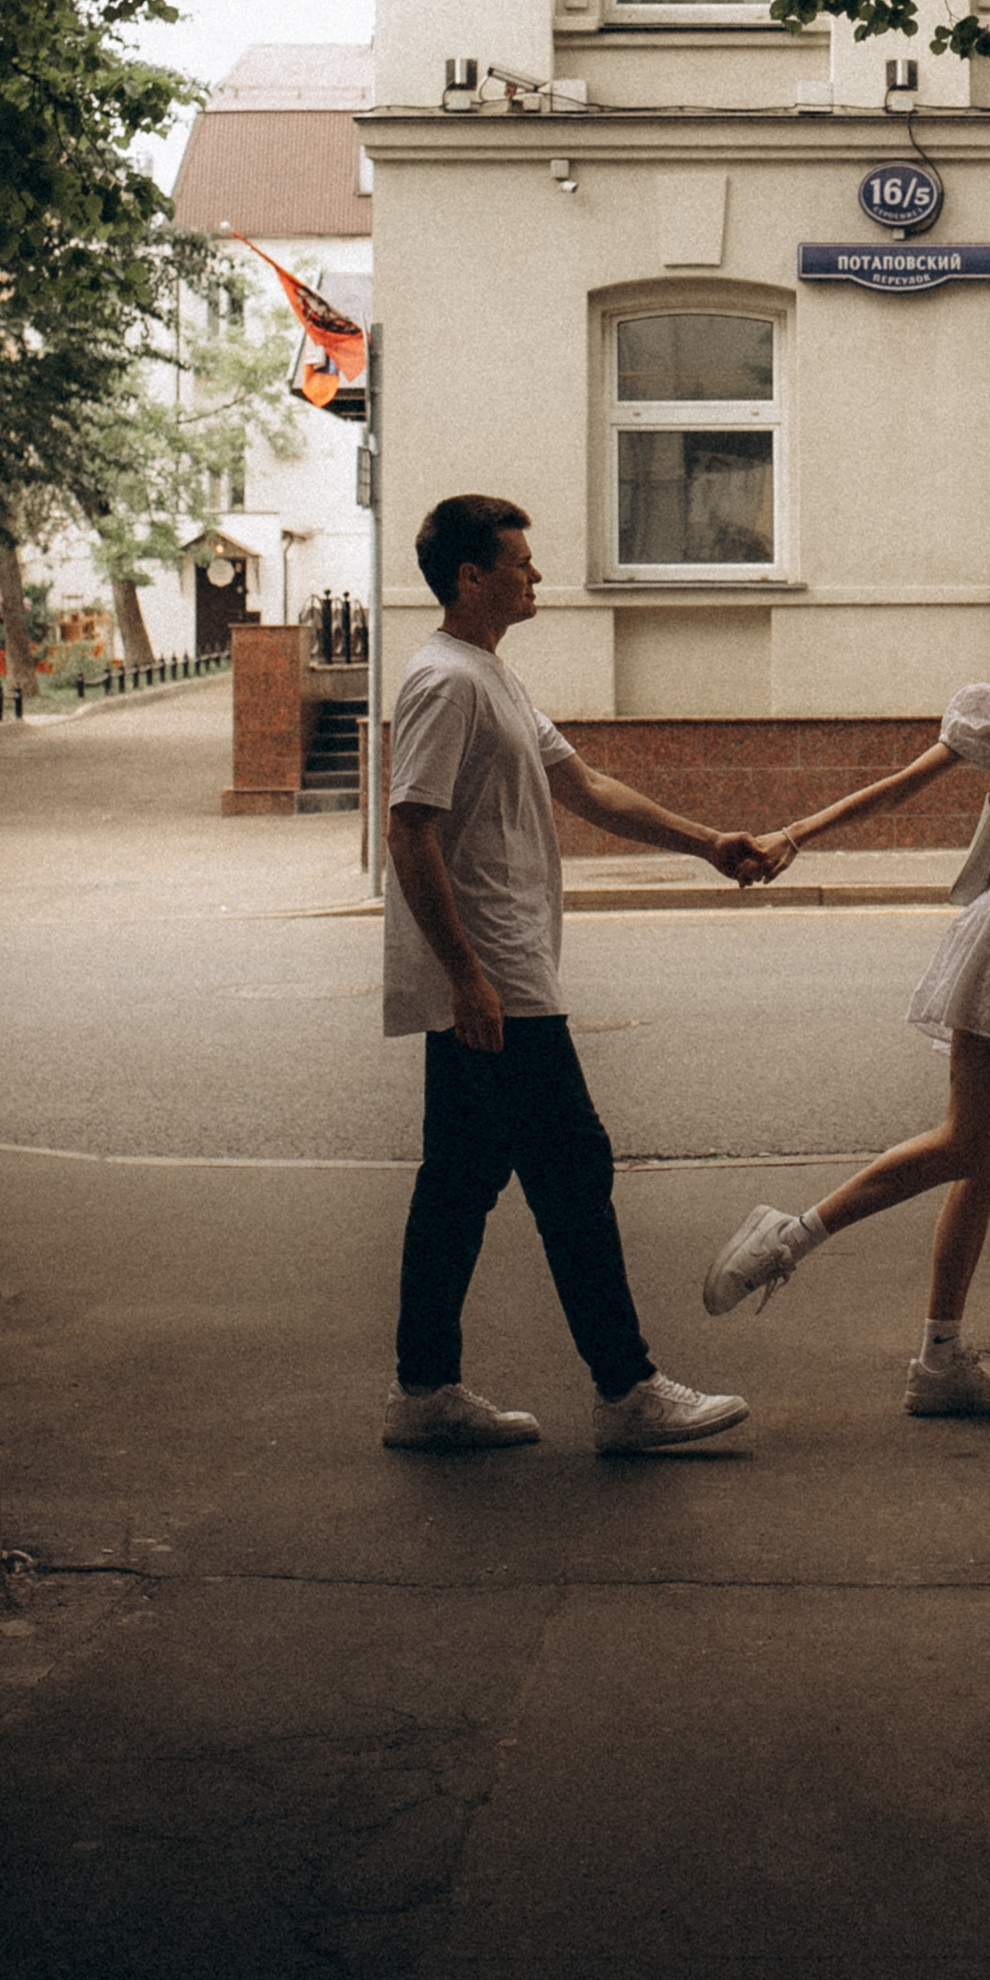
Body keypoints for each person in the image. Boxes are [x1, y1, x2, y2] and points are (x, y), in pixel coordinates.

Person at [698, 578, 990, 1418]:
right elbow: (903, 785)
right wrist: (797, 834)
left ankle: (940, 1362)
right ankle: (787, 1238)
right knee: (965, 1143)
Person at [380, 492, 762, 1457]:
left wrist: (707, 843)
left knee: (461, 1179)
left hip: (505, 970)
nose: (536, 574)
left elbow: (584, 785)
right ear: (472, 577)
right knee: (572, 1170)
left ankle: (423, 1391)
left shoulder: (489, 676)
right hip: (498, 977)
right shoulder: (445, 684)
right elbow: (409, 829)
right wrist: (466, 974)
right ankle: (626, 1389)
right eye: (520, 561)